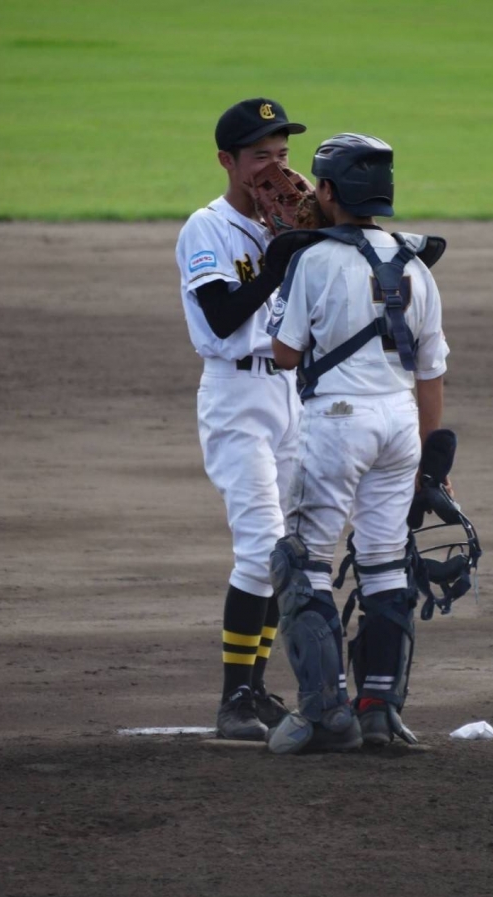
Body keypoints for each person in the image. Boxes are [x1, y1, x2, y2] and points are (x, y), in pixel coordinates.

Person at [264, 133, 450, 754]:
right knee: (385, 560)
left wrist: (283, 275)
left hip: (338, 423)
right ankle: (379, 711)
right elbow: (431, 372)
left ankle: (325, 714)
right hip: (400, 425)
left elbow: (285, 354)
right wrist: (430, 459)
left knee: (304, 562)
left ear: (327, 190)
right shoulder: (417, 264)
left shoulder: (312, 260)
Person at [175, 98, 307, 740]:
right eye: (260, 156)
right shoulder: (207, 228)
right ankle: (233, 702)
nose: (275, 170)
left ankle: (255, 690)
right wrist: (281, 260)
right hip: (236, 397)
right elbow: (224, 317)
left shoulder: (293, 226)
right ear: (227, 161)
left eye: (282, 155)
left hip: (292, 395)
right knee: (259, 549)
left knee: (285, 551)